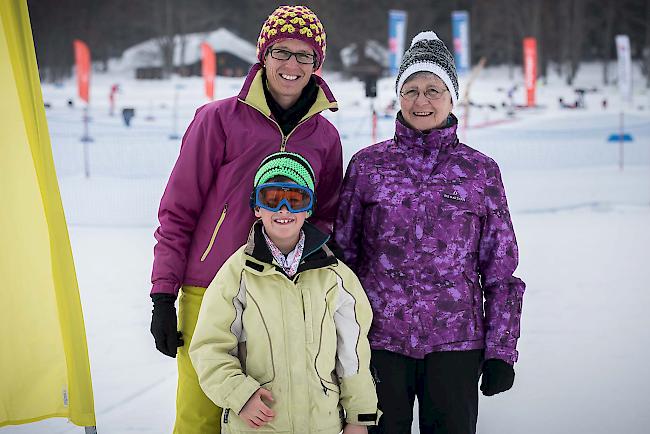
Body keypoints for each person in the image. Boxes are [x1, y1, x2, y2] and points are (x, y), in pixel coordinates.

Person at [149, 6, 343, 433]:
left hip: (279, 294)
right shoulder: (216, 120)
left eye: (304, 55)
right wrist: (164, 297)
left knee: (265, 416)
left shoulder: (325, 138)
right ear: (263, 55)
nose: (291, 65)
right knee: (198, 416)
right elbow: (178, 212)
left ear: (317, 64)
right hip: (206, 287)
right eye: (281, 51)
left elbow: (326, 217)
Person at [334, 31, 526, 434]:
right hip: (380, 342)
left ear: (452, 97)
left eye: (434, 90)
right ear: (398, 96)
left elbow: (501, 270)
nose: (422, 101)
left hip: (456, 342)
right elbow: (341, 263)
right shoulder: (367, 166)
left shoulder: (480, 171)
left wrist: (501, 351)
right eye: (412, 90)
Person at [189, 152, 380, 433]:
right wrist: (240, 395)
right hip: (259, 423)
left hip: (320, 422)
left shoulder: (334, 275)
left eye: (295, 200)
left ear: (309, 208)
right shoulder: (238, 274)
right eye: (271, 198)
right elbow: (210, 346)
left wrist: (358, 416)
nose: (283, 209)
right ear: (256, 206)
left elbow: (353, 351)